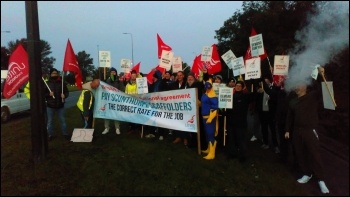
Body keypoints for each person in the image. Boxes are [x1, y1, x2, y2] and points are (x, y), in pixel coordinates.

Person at [284, 66, 329, 194]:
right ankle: (306, 173)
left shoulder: (312, 96)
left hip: (310, 131)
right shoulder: (293, 102)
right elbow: (289, 117)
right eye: (296, 86)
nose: (297, 87)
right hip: (297, 131)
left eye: (299, 85)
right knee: (300, 154)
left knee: (314, 155)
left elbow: (323, 88)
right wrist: (287, 130)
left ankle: (321, 180)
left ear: (305, 86)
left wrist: (322, 75)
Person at [226, 81, 254, 162]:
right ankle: (232, 154)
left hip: (241, 124)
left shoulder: (245, 96)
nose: (237, 87)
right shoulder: (231, 96)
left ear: (242, 87)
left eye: (239, 86)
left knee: (241, 141)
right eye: (236, 85)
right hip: (231, 122)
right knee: (232, 140)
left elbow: (253, 96)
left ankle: (242, 156)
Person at [44, 68, 70, 140]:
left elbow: (67, 92)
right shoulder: (47, 84)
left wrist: (65, 95)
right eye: (53, 73)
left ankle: (65, 134)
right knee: (50, 121)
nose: (55, 75)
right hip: (50, 106)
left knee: (63, 121)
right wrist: (49, 94)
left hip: (60, 106)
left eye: (56, 73)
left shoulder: (61, 83)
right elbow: (43, 94)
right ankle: (50, 134)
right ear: (50, 74)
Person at [256, 76, 279, 153]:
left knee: (272, 129)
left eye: (266, 81)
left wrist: (270, 98)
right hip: (263, 112)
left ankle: (276, 145)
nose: (265, 83)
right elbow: (257, 100)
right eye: (264, 81)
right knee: (264, 128)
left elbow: (275, 97)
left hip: (270, 112)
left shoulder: (273, 88)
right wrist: (259, 93)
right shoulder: (260, 89)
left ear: (269, 81)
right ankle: (266, 143)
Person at [102, 67, 125, 135]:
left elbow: (122, 90)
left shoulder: (119, 81)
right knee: (107, 115)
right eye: (112, 72)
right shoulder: (107, 81)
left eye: (114, 72)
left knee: (116, 114)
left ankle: (117, 128)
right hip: (108, 100)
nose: (113, 73)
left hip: (116, 101)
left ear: (116, 73)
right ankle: (106, 127)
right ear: (110, 73)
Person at [200, 79, 219, 160]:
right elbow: (202, 104)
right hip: (204, 117)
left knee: (210, 134)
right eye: (207, 87)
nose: (208, 88)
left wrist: (211, 118)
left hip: (209, 118)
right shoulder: (205, 95)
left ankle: (212, 153)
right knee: (207, 134)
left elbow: (215, 108)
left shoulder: (213, 96)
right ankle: (209, 149)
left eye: (209, 87)